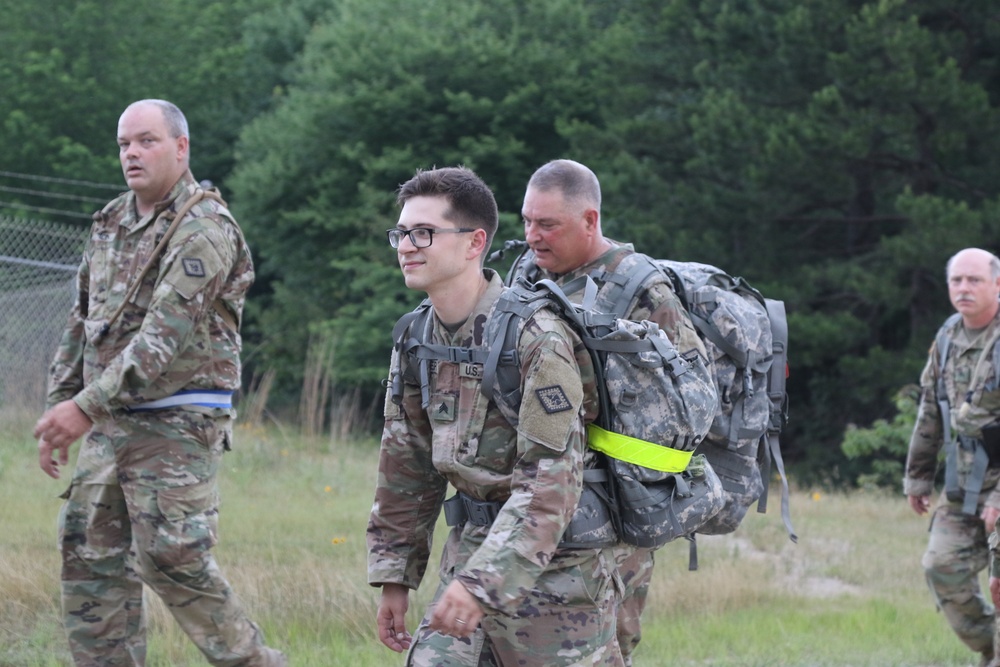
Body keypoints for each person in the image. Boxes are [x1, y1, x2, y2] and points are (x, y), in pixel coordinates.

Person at [33, 99, 285, 667]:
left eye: (146, 141)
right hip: (111, 419)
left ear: (180, 147)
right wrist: (59, 407)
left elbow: (160, 341)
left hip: (176, 421)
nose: (131, 154)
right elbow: (81, 322)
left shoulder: (206, 229)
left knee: (173, 558)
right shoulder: (111, 222)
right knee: (88, 555)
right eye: (124, 144)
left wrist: (81, 407)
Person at [367, 166, 624, 666]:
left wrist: (484, 582)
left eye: (424, 233)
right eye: (401, 232)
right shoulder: (416, 338)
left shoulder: (535, 338)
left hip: (559, 578)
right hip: (470, 559)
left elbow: (550, 486)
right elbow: (406, 466)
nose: (406, 245)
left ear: (474, 242)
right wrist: (395, 577)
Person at [506, 159, 708, 666]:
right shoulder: (527, 273)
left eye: (547, 224)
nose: (532, 235)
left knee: (611, 644)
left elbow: (694, 404)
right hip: (540, 490)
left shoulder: (644, 291)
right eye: (527, 220)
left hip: (616, 507)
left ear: (590, 220)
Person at [905, 247, 1000, 667]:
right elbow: (931, 409)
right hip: (964, 483)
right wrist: (918, 477)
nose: (964, 288)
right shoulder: (947, 337)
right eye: (957, 280)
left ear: (997, 284)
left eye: (975, 280)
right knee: (941, 565)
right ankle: (991, 648)